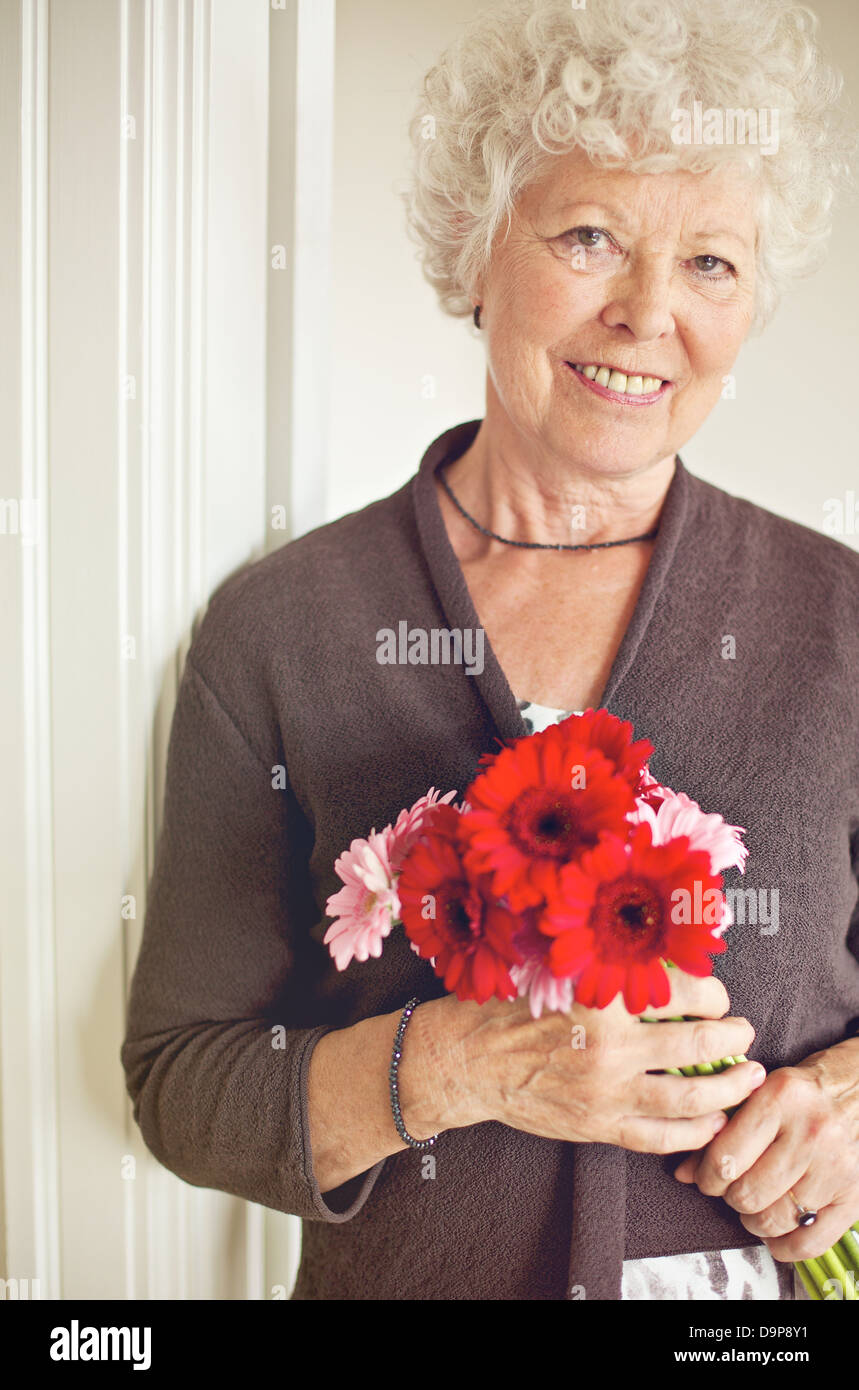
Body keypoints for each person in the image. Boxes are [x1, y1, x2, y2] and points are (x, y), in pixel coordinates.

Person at [121, 0, 859, 1300]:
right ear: (476, 249)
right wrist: (467, 1061)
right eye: (590, 236)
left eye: (711, 264)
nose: (647, 313)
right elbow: (184, 1079)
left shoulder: (841, 618)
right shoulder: (282, 628)